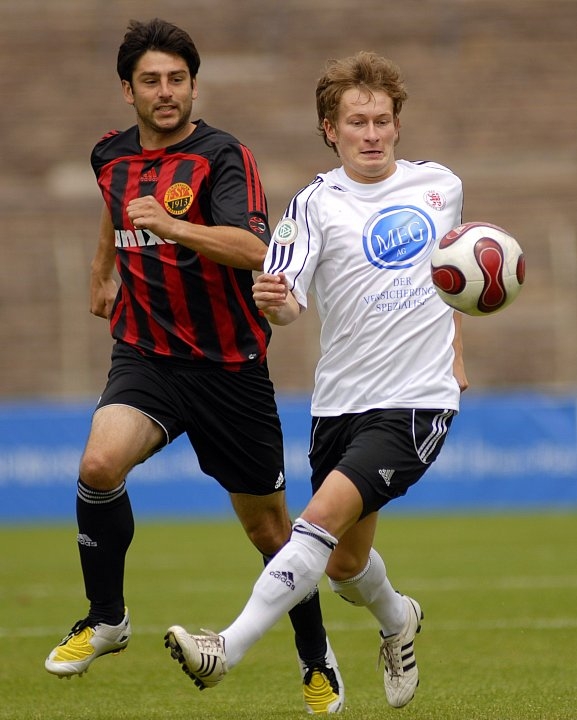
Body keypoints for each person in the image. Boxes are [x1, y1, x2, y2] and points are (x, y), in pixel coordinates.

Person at [44, 18, 344, 714]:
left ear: (193, 86)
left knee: (271, 532)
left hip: (228, 366)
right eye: (150, 80)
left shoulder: (222, 157)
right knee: (98, 466)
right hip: (146, 354)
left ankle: (315, 656)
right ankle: (107, 618)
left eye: (177, 79)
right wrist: (101, 270)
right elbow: (117, 206)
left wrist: (172, 225)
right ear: (128, 90)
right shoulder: (109, 155)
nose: (166, 91)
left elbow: (253, 249)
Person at [163, 51, 469, 710]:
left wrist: (457, 355)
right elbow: (288, 304)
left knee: (315, 521)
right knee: (344, 565)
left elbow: (454, 279)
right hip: (339, 405)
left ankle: (226, 648)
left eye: (381, 121)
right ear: (330, 128)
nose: (371, 134)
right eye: (357, 122)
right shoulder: (312, 204)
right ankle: (398, 619)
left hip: (416, 401)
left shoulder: (441, 187)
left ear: (397, 123)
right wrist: (275, 300)